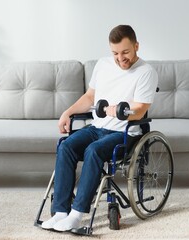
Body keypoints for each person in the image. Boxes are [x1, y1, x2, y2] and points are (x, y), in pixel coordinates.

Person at [41, 25, 158, 232]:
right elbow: (89, 97)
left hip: (124, 133)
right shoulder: (103, 65)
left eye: (125, 52)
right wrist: (67, 112)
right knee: (66, 146)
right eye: (115, 53)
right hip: (97, 127)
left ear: (136, 46)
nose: (120, 58)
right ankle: (61, 211)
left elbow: (140, 110)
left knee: (93, 150)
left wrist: (119, 110)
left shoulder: (146, 72)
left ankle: (77, 215)